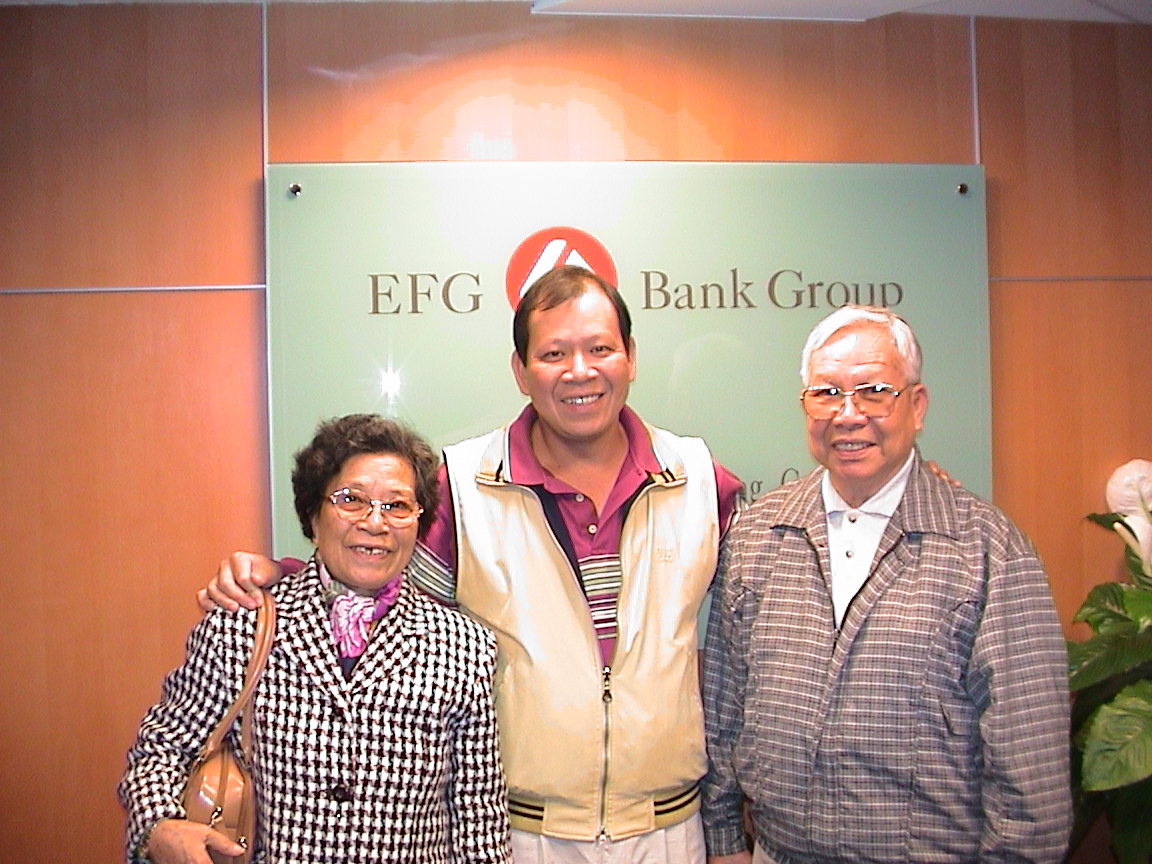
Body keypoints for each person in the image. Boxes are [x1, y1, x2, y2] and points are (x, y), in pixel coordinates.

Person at [201, 265, 745, 863]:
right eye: (554, 353)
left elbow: (738, 661)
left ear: (631, 356)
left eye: (600, 349)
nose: (580, 371)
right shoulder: (460, 487)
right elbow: (384, 595)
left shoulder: (702, 481)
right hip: (518, 833)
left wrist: (726, 837)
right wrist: (283, 577)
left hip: (671, 830)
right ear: (520, 371)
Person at [700, 306, 1072, 864]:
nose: (848, 415)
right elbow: (723, 708)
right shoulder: (758, 534)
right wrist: (725, 841)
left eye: (874, 392)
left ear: (916, 406)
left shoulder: (988, 550)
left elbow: (1029, 765)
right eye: (826, 393)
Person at [120, 414, 511, 864]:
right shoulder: (240, 626)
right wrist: (159, 826)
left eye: (397, 506)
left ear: (419, 521)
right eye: (351, 500)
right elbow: (164, 747)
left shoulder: (464, 647)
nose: (375, 523)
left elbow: (478, 821)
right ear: (313, 512)